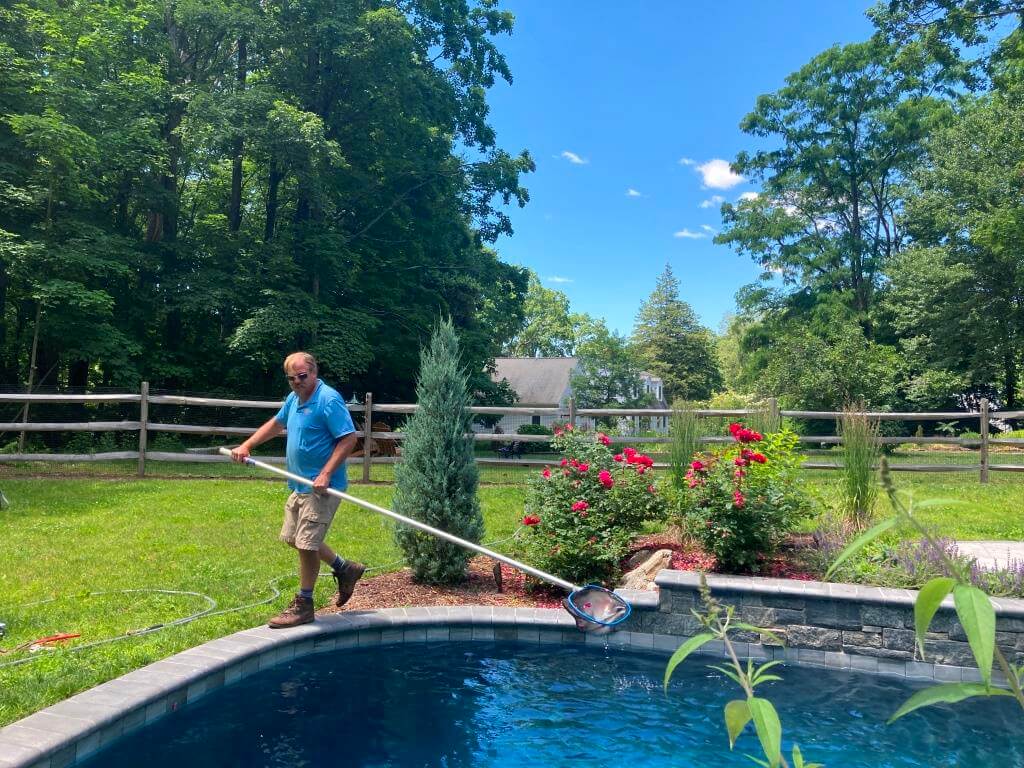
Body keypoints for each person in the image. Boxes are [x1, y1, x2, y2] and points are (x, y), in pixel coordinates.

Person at [231, 352, 365, 628]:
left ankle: (304, 604)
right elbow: (277, 423)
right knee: (293, 538)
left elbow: (349, 438)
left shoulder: (328, 399)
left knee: (306, 544)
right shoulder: (293, 399)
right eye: (291, 378)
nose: (297, 382)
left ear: (314, 372)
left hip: (322, 488)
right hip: (299, 484)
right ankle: (344, 567)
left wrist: (326, 473)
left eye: (302, 377)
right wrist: (247, 445)